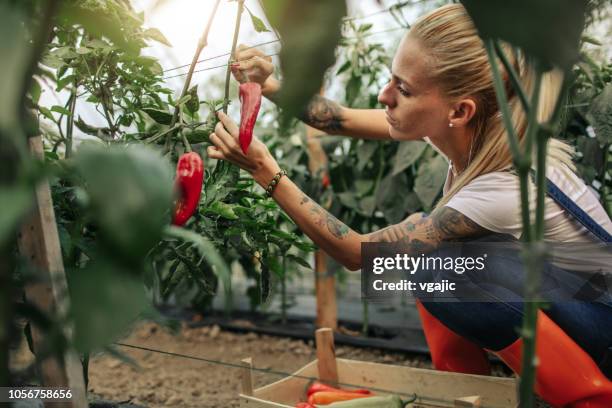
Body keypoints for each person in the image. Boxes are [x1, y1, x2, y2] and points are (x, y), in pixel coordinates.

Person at [206, 4, 612, 406]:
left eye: (403, 89)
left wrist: (265, 171)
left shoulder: (503, 187)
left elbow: (359, 253)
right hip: (575, 304)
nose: (385, 96)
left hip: (604, 329)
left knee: (428, 264)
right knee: (434, 259)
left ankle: (592, 399)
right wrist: (272, 84)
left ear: (459, 110)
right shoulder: (468, 130)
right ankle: (467, 394)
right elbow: (339, 119)